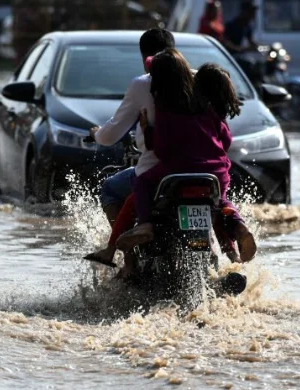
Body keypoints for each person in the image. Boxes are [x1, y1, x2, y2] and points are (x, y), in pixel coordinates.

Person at [117, 58, 256, 264]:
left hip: (178, 169)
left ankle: (145, 225)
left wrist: (147, 131)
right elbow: (226, 141)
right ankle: (236, 241)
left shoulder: (166, 106)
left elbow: (162, 149)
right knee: (219, 204)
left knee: (142, 182)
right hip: (215, 173)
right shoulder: (209, 109)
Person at [83, 28, 175, 279]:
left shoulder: (144, 83)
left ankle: (129, 263)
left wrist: (96, 134)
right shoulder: (199, 80)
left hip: (158, 168)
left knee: (112, 189)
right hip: (204, 168)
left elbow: (110, 134)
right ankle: (227, 256)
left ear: (145, 57)